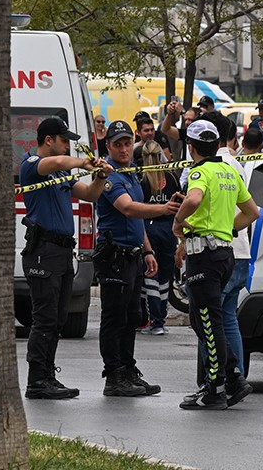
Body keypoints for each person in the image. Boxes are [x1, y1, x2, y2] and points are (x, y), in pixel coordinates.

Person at [19, 117, 111, 399]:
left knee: (58, 317)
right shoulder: (33, 165)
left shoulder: (61, 173)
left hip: (60, 252)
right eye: (64, 141)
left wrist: (99, 177)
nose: (68, 146)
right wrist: (84, 163)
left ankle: (47, 373)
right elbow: (56, 164)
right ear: (49, 140)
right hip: (42, 252)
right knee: (44, 318)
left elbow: (89, 195)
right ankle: (37, 379)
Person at [173, 119, 260, 409]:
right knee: (212, 320)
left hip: (205, 257)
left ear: (192, 147)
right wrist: (227, 229)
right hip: (224, 255)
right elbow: (252, 212)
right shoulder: (228, 170)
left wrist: (179, 223)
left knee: (207, 323)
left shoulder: (200, 172)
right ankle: (234, 377)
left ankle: (214, 388)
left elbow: (194, 198)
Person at [95, 120, 181, 397]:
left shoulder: (131, 173)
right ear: (108, 146)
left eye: (127, 143)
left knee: (132, 316)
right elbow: (129, 209)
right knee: (115, 317)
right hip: (114, 255)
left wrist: (147, 250)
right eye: (117, 144)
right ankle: (114, 375)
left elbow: (137, 223)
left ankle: (128, 369)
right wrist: (163, 209)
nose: (123, 148)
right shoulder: (108, 176)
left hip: (132, 255)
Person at [136, 130, 179, 337]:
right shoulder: (172, 177)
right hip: (170, 231)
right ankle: (161, 317)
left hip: (150, 231)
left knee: (150, 277)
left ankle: (155, 321)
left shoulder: (141, 179)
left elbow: (137, 209)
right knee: (164, 277)